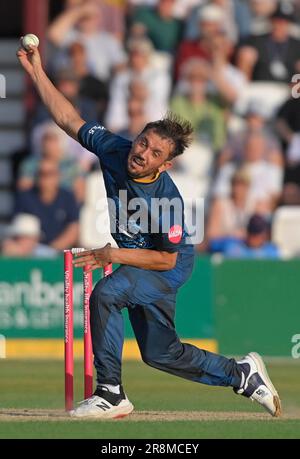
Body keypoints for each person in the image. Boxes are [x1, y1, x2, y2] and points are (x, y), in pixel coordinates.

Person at [17, 40, 282, 419]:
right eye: (143, 142)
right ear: (137, 136)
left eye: (156, 153)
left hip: (167, 264)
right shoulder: (113, 148)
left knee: (106, 295)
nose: (142, 153)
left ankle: (110, 393)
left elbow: (165, 257)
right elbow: (68, 119)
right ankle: (241, 374)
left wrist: (114, 255)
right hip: (139, 260)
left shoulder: (165, 200)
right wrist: (36, 72)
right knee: (161, 354)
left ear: (166, 165)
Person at [14, 158, 80, 250]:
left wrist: (52, 250)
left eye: (50, 173)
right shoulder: (26, 197)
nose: (45, 178)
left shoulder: (67, 197)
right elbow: (20, 229)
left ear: (58, 176)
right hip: (31, 250)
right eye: (41, 173)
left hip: (60, 252)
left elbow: (73, 229)